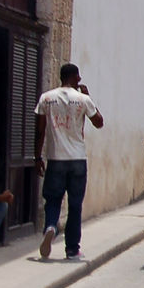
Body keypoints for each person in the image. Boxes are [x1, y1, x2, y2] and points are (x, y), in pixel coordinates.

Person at [34, 63, 104, 260]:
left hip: (56, 158)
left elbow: (40, 130)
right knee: (75, 204)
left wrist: (37, 156)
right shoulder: (83, 99)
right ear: (73, 77)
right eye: (78, 77)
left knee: (53, 199)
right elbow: (99, 122)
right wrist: (90, 98)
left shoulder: (46, 98)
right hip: (77, 159)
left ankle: (50, 226)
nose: (80, 80)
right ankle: (72, 248)